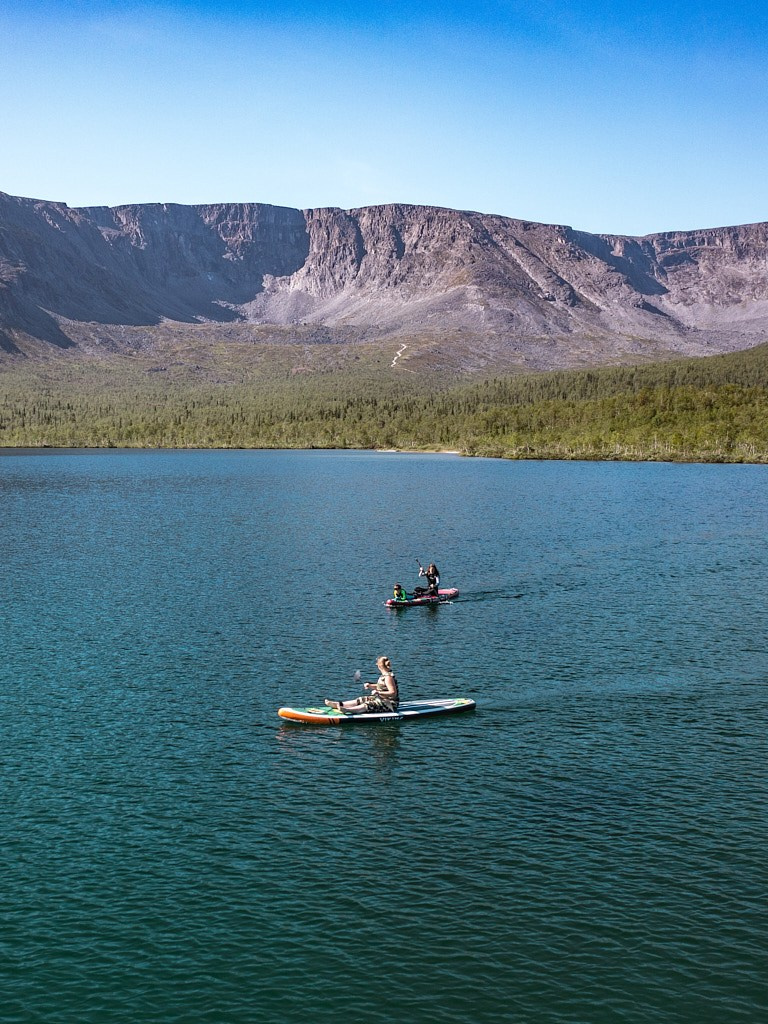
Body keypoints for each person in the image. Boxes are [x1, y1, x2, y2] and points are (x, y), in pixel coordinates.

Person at [325, 656, 399, 715]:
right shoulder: (384, 675)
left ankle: (347, 710)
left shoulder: (388, 677)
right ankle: (338, 704)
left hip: (390, 704)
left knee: (369, 704)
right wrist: (370, 686)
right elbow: (382, 687)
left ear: (379, 666)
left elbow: (393, 693)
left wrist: (378, 693)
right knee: (362, 699)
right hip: (381, 699)